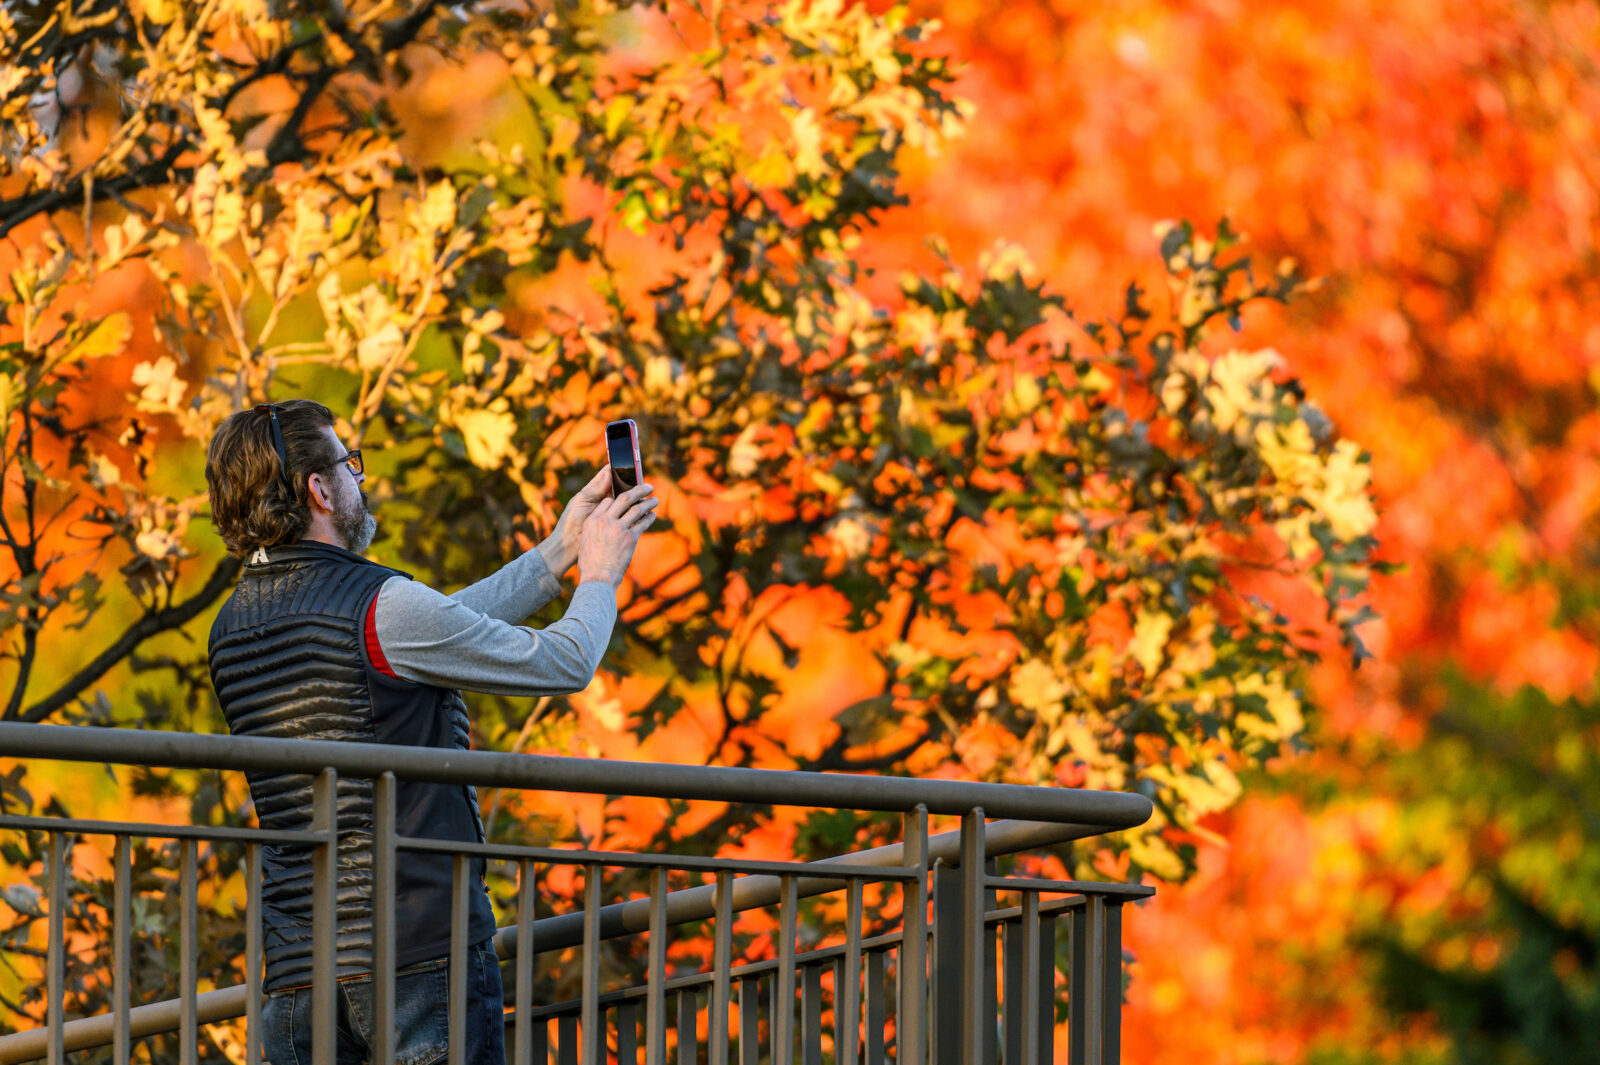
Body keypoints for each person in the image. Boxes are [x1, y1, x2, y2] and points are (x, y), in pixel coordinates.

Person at [204, 399, 657, 1065]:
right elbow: (565, 661)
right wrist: (599, 574)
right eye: (348, 466)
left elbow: (438, 632)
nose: (360, 480)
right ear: (319, 488)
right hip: (418, 952)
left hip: (299, 973)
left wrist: (559, 551)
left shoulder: (231, 629)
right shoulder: (381, 603)